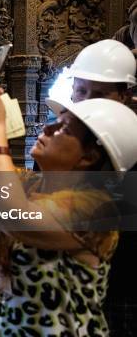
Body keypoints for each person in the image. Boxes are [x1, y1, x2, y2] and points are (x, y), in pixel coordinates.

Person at [0, 68, 137, 335]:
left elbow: (12, 214)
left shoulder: (97, 209)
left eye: (63, 127)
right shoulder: (29, 184)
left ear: (88, 157)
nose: (48, 126)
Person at [61, 39, 137, 336]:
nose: (88, 100)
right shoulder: (59, 138)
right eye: (82, 91)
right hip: (64, 284)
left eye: (101, 93)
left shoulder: (131, 142)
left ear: (125, 95)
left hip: (122, 286)